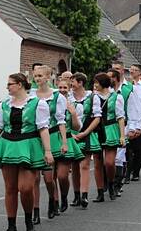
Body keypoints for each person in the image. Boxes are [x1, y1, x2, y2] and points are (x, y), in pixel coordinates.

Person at [0, 73, 54, 231]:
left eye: (10, 84)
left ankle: (28, 218)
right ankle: (11, 224)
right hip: (8, 145)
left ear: (20, 85)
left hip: (28, 145)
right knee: (11, 188)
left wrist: (48, 151)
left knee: (26, 188)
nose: (7, 87)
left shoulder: (37, 104)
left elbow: (43, 128)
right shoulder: (4, 105)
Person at [33, 65, 69, 220]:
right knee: (34, 177)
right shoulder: (31, 95)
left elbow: (61, 120)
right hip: (35, 138)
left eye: (40, 76)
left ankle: (52, 199)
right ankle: (35, 210)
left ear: (48, 77)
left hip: (53, 136)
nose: (37, 78)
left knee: (49, 178)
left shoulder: (57, 96)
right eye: (35, 76)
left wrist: (64, 142)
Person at [71, 72, 102, 208]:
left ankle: (84, 195)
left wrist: (86, 132)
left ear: (80, 83)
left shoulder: (92, 97)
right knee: (74, 166)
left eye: (73, 82)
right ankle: (76, 194)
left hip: (87, 133)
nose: (70, 84)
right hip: (72, 134)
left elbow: (97, 117)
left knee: (84, 165)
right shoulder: (68, 98)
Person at [93, 72, 125, 201]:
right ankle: (100, 191)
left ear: (103, 83)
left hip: (111, 129)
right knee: (97, 163)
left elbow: (120, 117)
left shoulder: (116, 97)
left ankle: (111, 184)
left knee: (109, 162)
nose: (94, 85)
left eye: (96, 83)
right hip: (96, 130)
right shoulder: (93, 97)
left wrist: (122, 135)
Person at [57, 79, 84, 208]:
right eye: (60, 87)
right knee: (49, 177)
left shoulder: (75, 105)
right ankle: (54, 201)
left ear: (69, 89)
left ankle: (64, 197)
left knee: (62, 176)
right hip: (51, 139)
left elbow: (77, 127)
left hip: (67, 139)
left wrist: (73, 114)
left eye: (65, 88)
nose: (62, 90)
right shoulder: (51, 103)